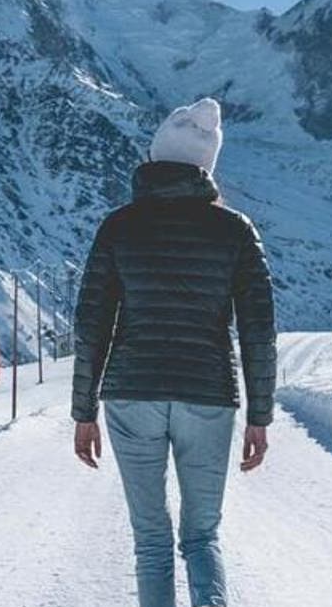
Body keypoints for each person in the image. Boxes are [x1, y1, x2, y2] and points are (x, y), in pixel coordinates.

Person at [71, 98, 276, 607]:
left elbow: (92, 323)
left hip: (131, 393)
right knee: (202, 537)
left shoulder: (118, 226)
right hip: (207, 394)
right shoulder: (235, 230)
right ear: (206, 166)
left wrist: (83, 412)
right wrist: (260, 416)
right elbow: (258, 330)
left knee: (151, 539)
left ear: (155, 157)